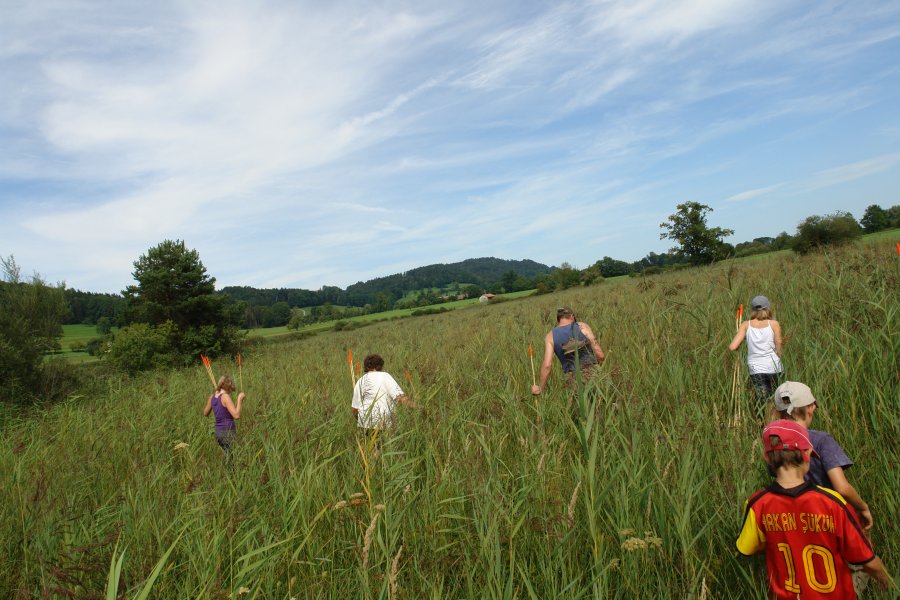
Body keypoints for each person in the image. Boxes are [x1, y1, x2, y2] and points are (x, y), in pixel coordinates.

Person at [736, 420, 889, 599]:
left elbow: (747, 548)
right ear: (807, 454)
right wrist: (887, 582)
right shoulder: (832, 503)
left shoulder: (757, 504)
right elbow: (868, 561)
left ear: (767, 457)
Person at [772, 381, 873, 530]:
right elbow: (842, 488)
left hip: (792, 519)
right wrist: (862, 507)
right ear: (811, 408)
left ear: (776, 412)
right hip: (827, 516)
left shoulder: (774, 442)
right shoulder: (821, 440)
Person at [531, 307, 605, 396]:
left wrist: (540, 388)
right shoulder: (583, 327)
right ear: (572, 317)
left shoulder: (550, 336)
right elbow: (600, 355)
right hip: (594, 373)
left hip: (573, 379)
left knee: (581, 407)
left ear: (558, 320)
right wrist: (597, 368)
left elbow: (547, 365)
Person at [729, 295, 783, 410]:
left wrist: (744, 339)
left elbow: (733, 347)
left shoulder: (745, 325)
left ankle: (764, 424)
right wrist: (778, 355)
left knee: (763, 402)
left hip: (756, 369)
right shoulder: (774, 324)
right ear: (768, 308)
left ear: (753, 310)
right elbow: (778, 342)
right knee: (777, 402)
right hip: (775, 367)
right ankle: (775, 424)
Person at [351, 354, 415, 435]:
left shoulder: (360, 381)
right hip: (383, 423)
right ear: (380, 366)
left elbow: (354, 410)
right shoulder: (385, 376)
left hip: (364, 423)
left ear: (366, 367)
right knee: (383, 446)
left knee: (371, 446)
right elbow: (400, 398)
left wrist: (360, 420)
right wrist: (417, 407)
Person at [203, 375, 245, 466]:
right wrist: (239, 400)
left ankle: (227, 474)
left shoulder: (212, 397)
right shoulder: (225, 397)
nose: (231, 391)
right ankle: (231, 476)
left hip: (218, 432)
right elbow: (236, 415)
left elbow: (205, 413)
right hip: (227, 432)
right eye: (231, 388)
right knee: (232, 457)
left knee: (228, 455)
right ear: (228, 386)